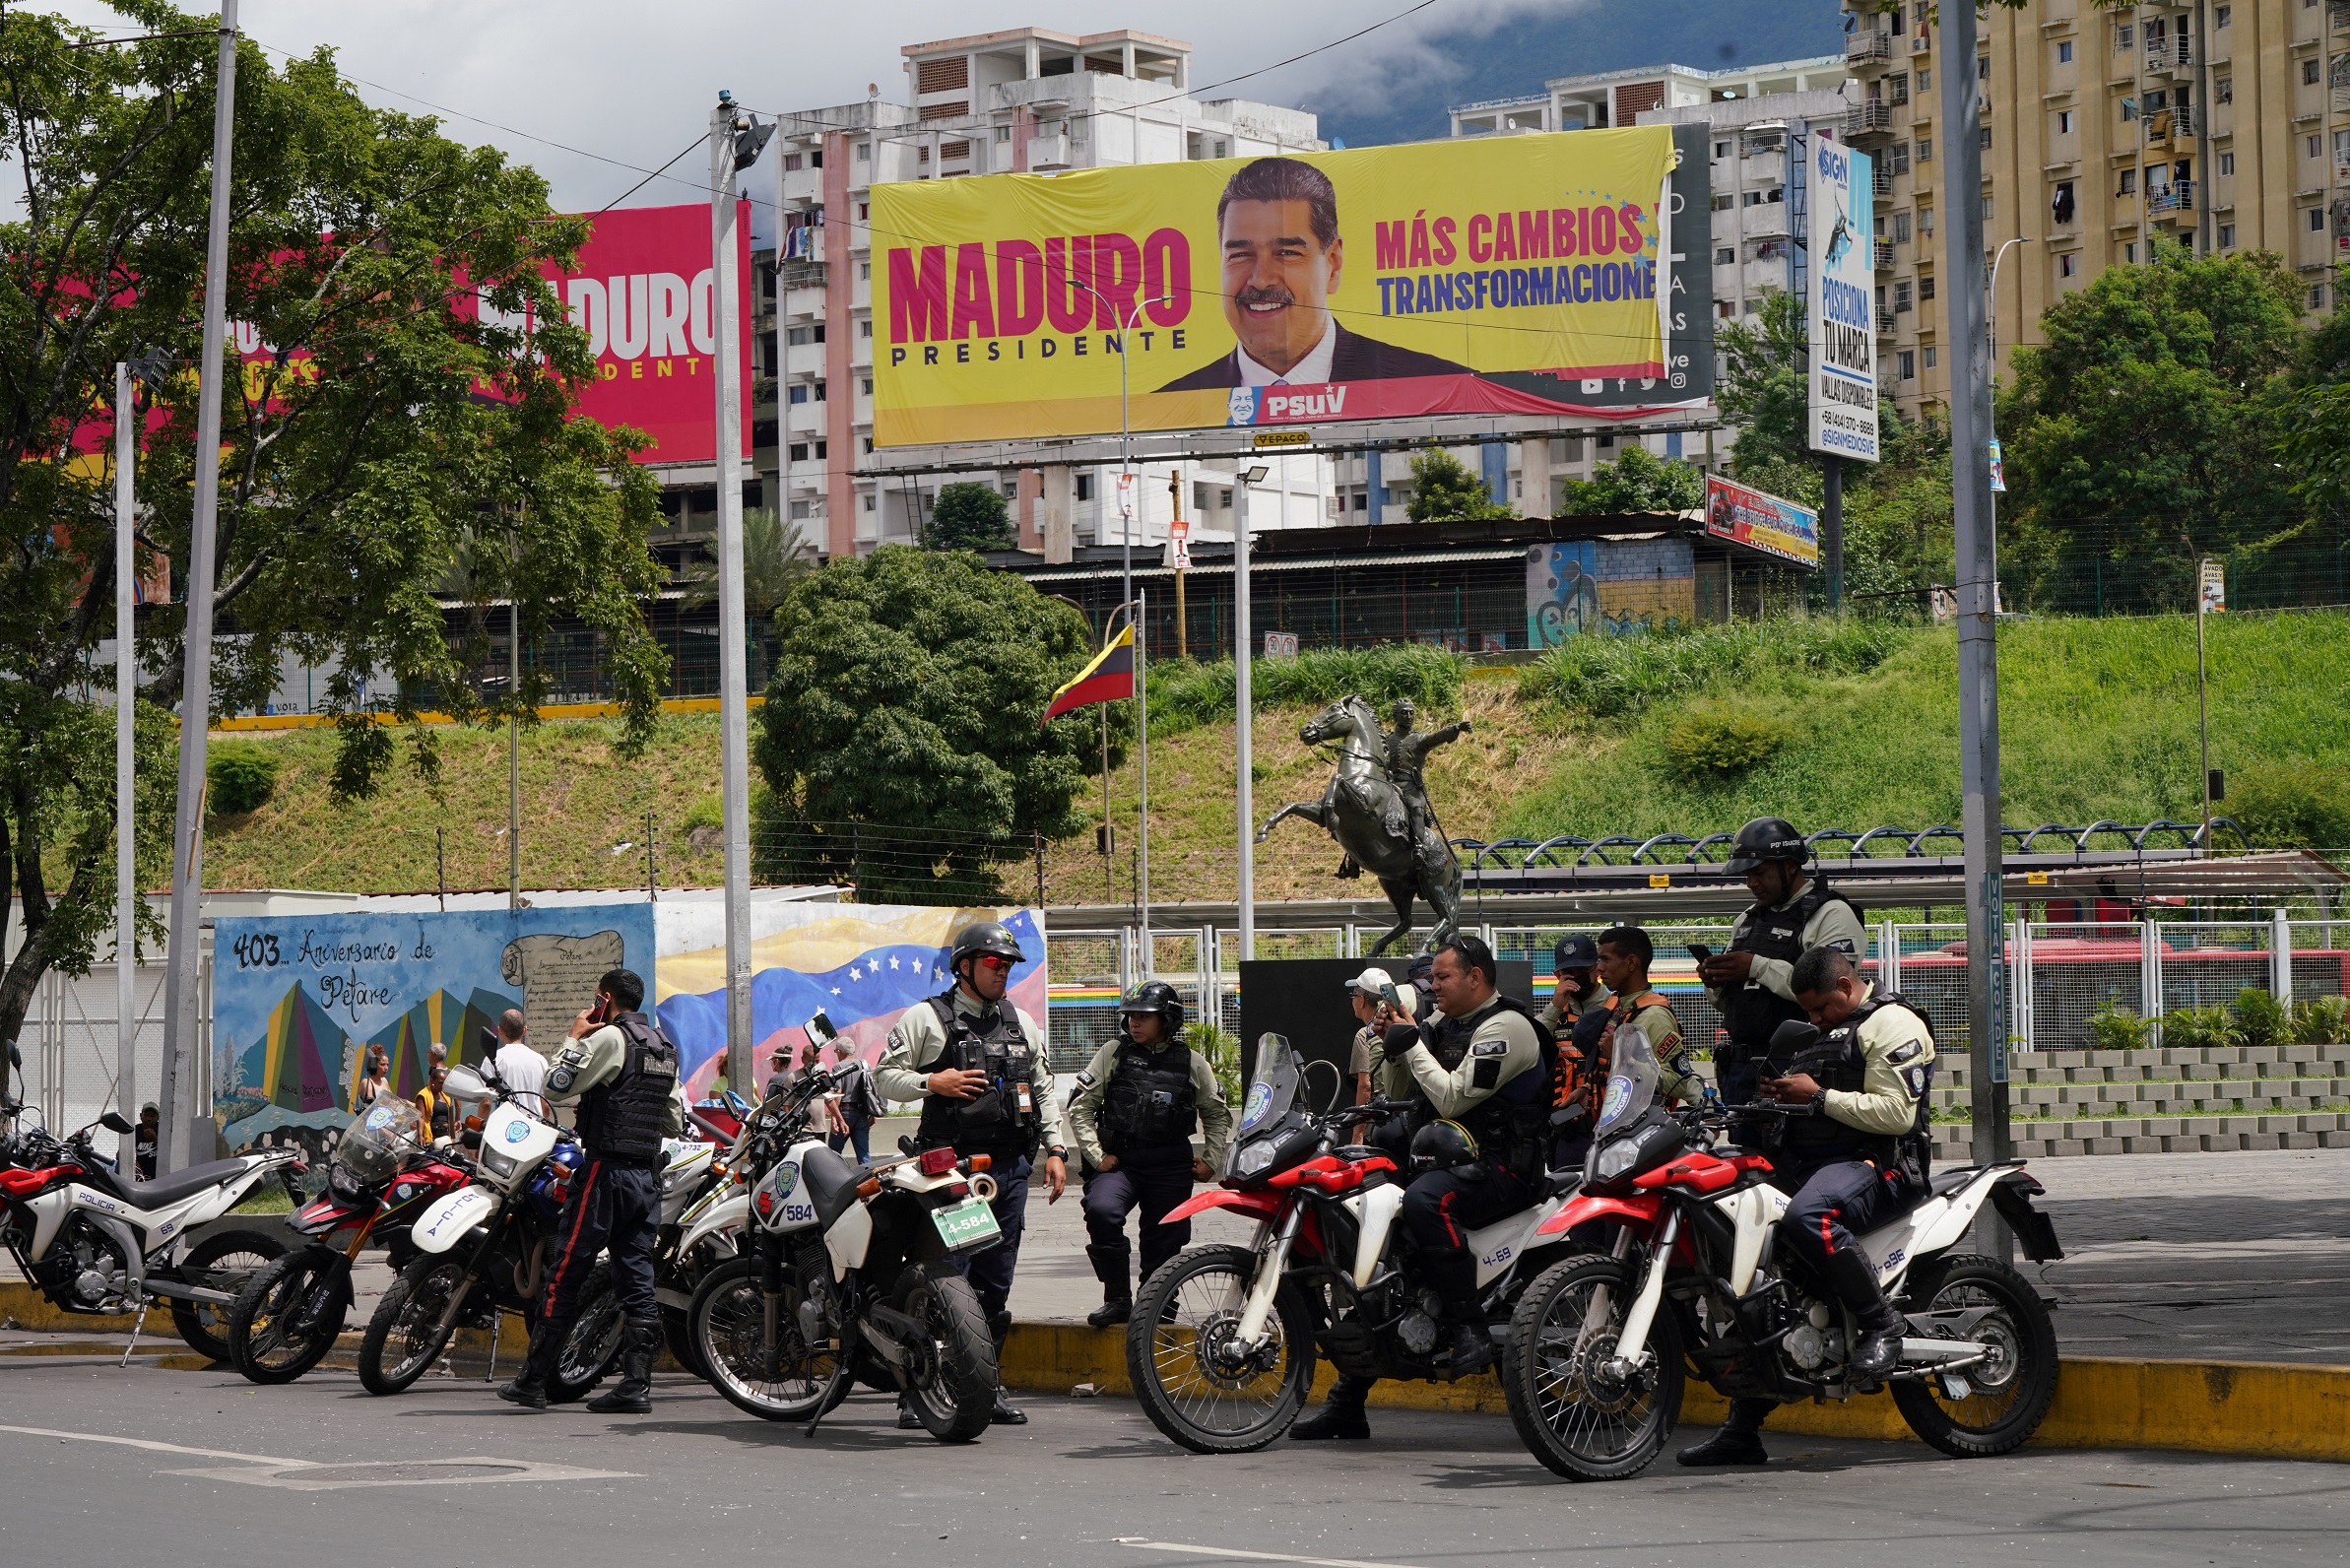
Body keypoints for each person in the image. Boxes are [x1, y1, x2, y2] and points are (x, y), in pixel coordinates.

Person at [1677, 946, 1934, 1469]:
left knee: (1805, 1217)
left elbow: (1896, 1115)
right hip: (1814, 1165)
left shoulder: (1893, 1022)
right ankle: (1743, 1430)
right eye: (1807, 1012)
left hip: (1878, 1166)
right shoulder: (1817, 1034)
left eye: (1820, 1009)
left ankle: (1881, 1323)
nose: (1814, 1020)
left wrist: (1816, 1097)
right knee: (1739, 1241)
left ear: (1845, 987)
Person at [1292, 935, 1549, 1442]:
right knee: (1371, 1222)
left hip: (1504, 1170)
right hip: (1447, 1159)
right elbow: (1406, 1092)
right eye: (1431, 978)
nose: (1432, 986)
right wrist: (1391, 1042)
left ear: (1475, 977)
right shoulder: (1440, 1024)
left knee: (1426, 1202)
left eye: (1442, 977)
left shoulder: (1509, 1027)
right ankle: (1349, 1401)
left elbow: (1451, 1098)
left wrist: (1411, 1042)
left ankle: (1470, 1325)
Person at [876, 919, 1068, 1427]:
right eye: (992, 963)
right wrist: (931, 1081)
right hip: (950, 1174)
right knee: (946, 1280)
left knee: (994, 1284)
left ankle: (986, 1387)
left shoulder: (1020, 1022)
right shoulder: (926, 1018)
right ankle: (918, 1392)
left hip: (1007, 1171)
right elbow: (883, 1079)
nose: (1002, 972)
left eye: (1007, 965)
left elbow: (1043, 1089)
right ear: (964, 967)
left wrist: (1056, 1149)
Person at [499, 966, 681, 1415]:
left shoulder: (609, 1039)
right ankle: (636, 1385)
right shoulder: (664, 1048)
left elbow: (555, 1084)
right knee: (637, 1277)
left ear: (605, 998)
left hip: (605, 1174)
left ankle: (533, 1381)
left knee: (566, 1272)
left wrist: (575, 1036)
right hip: (646, 1179)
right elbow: (672, 1119)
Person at [1157, 157, 1472, 392]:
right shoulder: (1172, 402)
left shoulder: (1437, 383)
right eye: (1240, 255)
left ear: (1333, 263)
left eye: (1287, 253)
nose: (1260, 279)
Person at [1067, 981, 1232, 1329]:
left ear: (1167, 1020)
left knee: (1164, 1237)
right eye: (1130, 1016)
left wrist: (1212, 1160)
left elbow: (1217, 1114)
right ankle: (1117, 1300)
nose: (1134, 1023)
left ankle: (1157, 1306)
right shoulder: (1113, 1053)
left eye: (1145, 1016)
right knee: (1102, 1211)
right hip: (1121, 1161)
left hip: (1171, 1163)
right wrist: (1097, 1157)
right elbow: (1081, 1108)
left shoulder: (1192, 1062)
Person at [1696, 817, 1867, 1112]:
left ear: (1789, 867)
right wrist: (1717, 980)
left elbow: (1829, 988)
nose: (1752, 883)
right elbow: (1730, 1005)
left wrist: (1755, 967)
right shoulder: (1748, 920)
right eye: (1747, 875)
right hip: (1740, 1069)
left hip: (1799, 1066)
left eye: (1759, 873)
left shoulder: (1831, 914)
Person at [1343, 967, 1413, 1143]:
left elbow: (1366, 1086)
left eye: (1353, 995)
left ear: (1361, 1000)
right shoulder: (1402, 1027)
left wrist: (1358, 1135)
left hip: (1379, 1123)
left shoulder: (1364, 1034)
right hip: (1405, 1121)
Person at [827, 1040, 884, 1165]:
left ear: (839, 1051)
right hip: (862, 1114)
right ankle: (869, 1180)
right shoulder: (865, 1065)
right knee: (864, 1155)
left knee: (833, 1154)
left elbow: (838, 1094)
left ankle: (836, 1181)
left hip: (844, 1113)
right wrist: (872, 1114)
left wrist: (835, 1119)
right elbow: (872, 1090)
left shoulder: (838, 1067)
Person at [491, 1010, 549, 1118]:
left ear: (499, 1030)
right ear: (524, 1030)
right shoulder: (540, 1060)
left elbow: (485, 1102)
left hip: (505, 1128)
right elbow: (545, 1105)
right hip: (534, 1128)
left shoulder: (493, 1058)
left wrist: (479, 1132)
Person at [355, 1047, 391, 1111]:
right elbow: (372, 1107)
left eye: (387, 1065)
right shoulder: (367, 1083)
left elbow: (393, 1100)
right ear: (373, 1065)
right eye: (382, 1064)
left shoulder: (384, 1080)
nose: (386, 1068)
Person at [134, 1104, 159, 1181]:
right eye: (146, 1115)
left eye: (152, 1116)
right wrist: (133, 1163)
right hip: (140, 1171)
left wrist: (155, 1139)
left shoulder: (162, 1129)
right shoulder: (136, 1130)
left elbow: (169, 1153)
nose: (149, 1119)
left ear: (158, 1118)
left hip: (158, 1171)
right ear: (141, 1116)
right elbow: (119, 1154)